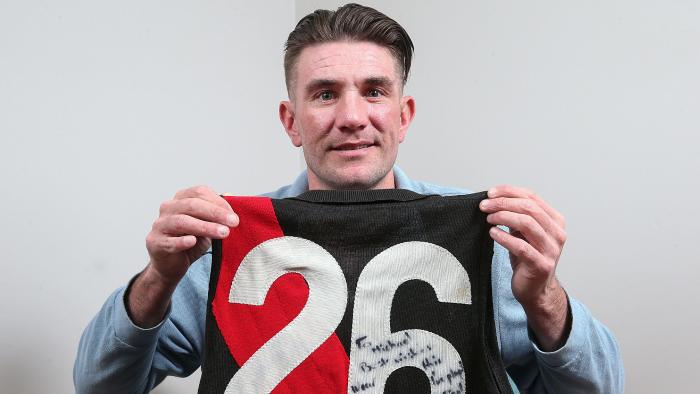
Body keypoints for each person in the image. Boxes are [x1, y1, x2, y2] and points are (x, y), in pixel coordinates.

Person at [74, 3, 623, 393]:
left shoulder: (490, 236)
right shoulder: (225, 238)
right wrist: (157, 279)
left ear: (403, 117)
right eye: (325, 94)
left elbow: (602, 388)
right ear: (291, 122)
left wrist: (545, 297)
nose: (353, 117)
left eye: (375, 91)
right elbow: (98, 385)